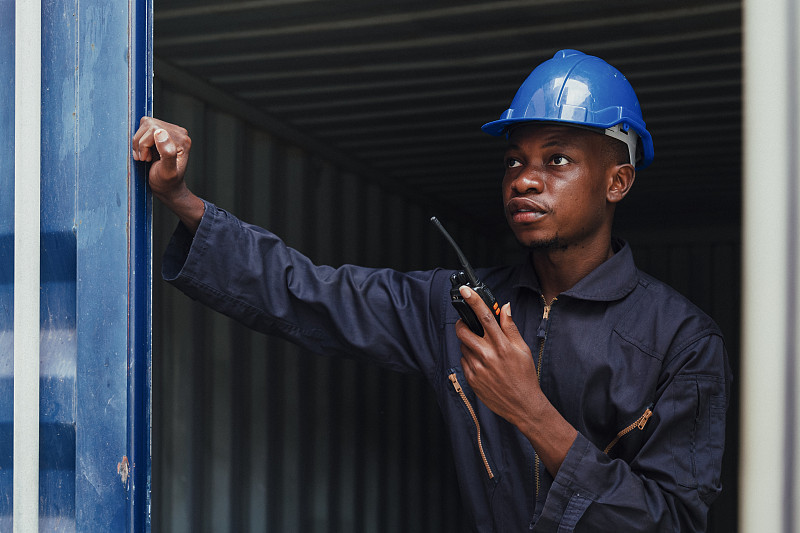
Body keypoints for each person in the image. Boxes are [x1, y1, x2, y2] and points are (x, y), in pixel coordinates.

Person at [133, 50, 731, 532]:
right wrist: (182, 200)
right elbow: (308, 291)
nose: (525, 179)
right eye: (514, 161)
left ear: (617, 181)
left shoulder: (682, 342)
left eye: (556, 160)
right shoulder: (457, 306)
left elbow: (670, 520)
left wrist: (530, 410)